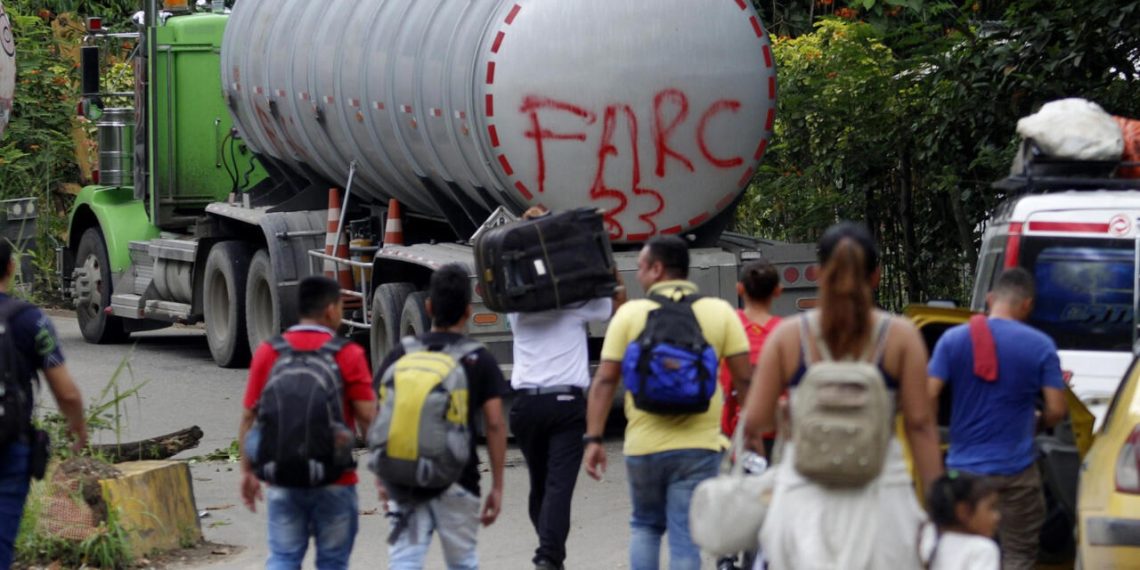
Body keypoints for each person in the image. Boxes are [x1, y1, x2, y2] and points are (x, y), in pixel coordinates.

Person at [742, 222, 943, 570]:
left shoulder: (789, 336)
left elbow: (756, 419)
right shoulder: (901, 337)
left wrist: (789, 411)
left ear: (820, 274)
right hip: (882, 500)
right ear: (876, 275)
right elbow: (921, 425)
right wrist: (941, 511)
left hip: (805, 502)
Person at [584, 235, 752, 570]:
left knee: (644, 527)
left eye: (641, 267)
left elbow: (604, 380)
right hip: (700, 447)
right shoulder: (719, 312)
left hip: (644, 446)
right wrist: (753, 433)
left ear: (657, 269)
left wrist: (594, 438)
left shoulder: (630, 315)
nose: (638, 274)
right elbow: (745, 381)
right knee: (685, 536)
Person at [508, 207, 623, 570]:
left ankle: (550, 556)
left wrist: (527, 229)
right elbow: (618, 306)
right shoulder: (576, 301)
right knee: (558, 487)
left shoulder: (516, 304)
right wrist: (605, 259)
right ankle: (548, 558)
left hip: (525, 407)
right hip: (564, 405)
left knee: (541, 485)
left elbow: (514, 264)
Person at [928, 267, 1066, 570]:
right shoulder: (1041, 345)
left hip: (965, 474)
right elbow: (1057, 409)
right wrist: (1037, 422)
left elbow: (928, 395)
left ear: (990, 299)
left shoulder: (953, 339)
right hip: (1017, 473)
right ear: (1027, 304)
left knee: (960, 552)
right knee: (1018, 553)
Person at [373, 263, 508, 570]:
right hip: (458, 479)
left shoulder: (401, 353)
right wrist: (498, 486)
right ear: (468, 311)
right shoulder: (478, 358)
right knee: (462, 563)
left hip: (404, 479)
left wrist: (382, 476)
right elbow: (495, 423)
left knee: (405, 560)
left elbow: (379, 414)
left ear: (429, 307)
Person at [238, 275, 376, 570]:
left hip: (282, 477)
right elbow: (368, 417)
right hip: (335, 478)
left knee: (283, 558)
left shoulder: (269, 352)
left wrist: (248, 471)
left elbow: (250, 417)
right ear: (331, 310)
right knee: (333, 562)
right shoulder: (348, 354)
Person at [0, 241, 88, 568]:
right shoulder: (30, 319)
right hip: (8, 446)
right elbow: (67, 394)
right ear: (11, 267)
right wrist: (77, 426)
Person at [716, 260, 781, 570]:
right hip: (773, 432)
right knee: (765, 499)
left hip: (738, 429)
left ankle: (727, 556)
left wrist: (725, 428)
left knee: (737, 492)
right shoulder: (783, 332)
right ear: (778, 291)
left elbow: (725, 382)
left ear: (740, 289)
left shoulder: (731, 327)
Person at [919, 471, 1001, 570]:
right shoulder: (983, 549)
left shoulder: (929, 540)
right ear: (963, 511)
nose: (997, 516)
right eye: (991, 508)